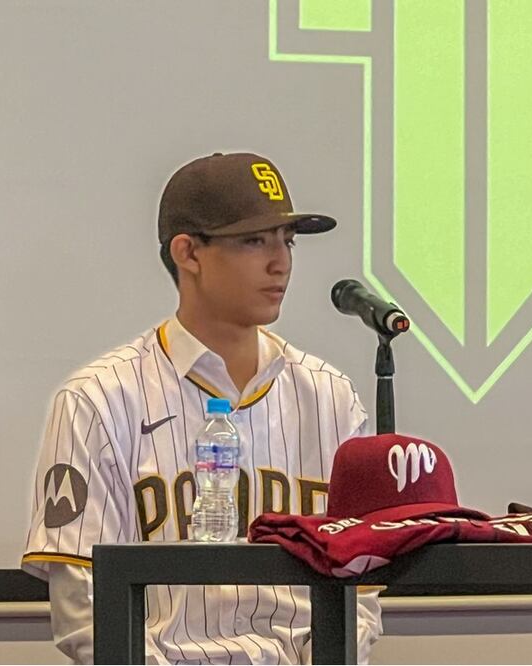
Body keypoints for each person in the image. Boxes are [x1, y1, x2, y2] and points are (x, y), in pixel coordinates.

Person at [21, 152, 382, 663]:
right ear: (188, 253)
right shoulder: (97, 398)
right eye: (254, 241)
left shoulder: (331, 396)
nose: (281, 262)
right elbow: (83, 601)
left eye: (288, 240)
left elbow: (363, 586)